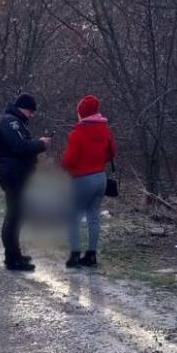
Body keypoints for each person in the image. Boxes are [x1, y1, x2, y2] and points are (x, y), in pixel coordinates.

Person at [0, 92, 51, 272]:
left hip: (14, 174)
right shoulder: (10, 122)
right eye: (31, 112)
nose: (31, 115)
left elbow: (19, 145)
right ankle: (12, 259)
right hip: (13, 175)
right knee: (14, 217)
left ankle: (14, 255)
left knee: (17, 216)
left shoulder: (9, 121)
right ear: (23, 108)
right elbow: (20, 147)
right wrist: (41, 144)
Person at [60, 94, 116, 268]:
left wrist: (70, 169)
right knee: (93, 217)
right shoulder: (106, 130)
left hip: (82, 179)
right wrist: (98, 161)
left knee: (73, 216)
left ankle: (75, 256)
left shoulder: (78, 133)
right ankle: (91, 256)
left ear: (81, 113)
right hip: (100, 178)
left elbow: (69, 160)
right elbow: (112, 152)